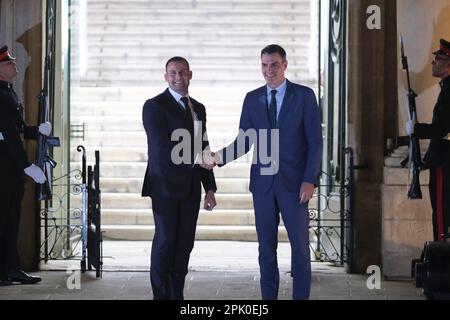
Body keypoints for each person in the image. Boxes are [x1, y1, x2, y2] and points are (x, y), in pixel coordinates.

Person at [204, 44, 323, 300]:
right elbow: (244, 141)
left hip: (295, 186)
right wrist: (217, 158)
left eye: (274, 65)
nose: (269, 70)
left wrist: (309, 180)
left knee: (301, 250)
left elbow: (315, 142)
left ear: (285, 65)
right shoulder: (253, 98)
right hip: (263, 186)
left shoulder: (304, 96)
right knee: (265, 250)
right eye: (264, 65)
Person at [141, 56, 217, 300]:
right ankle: (161, 296)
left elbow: (203, 146)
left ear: (190, 75)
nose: (178, 77)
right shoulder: (154, 106)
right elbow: (162, 147)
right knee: (165, 242)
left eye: (182, 72)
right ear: (166, 77)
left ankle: (177, 295)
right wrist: (197, 159)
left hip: (191, 186)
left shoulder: (199, 108)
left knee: (185, 244)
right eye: (173, 73)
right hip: (164, 185)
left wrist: (210, 188)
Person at [0, 45, 52, 285]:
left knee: (11, 220)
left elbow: (18, 128)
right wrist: (26, 165)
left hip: (9, 168)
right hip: (4, 167)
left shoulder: (8, 91)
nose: (13, 64)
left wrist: (36, 131)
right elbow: (9, 134)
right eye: (8, 62)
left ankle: (10, 269)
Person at [406, 38, 450, 242]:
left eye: (438, 59)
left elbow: (441, 129)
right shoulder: (446, 88)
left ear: (448, 63)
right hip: (443, 158)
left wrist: (416, 128)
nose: (433, 63)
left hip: (444, 159)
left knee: (441, 213)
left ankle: (441, 259)